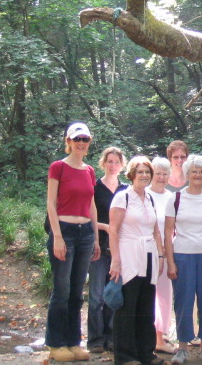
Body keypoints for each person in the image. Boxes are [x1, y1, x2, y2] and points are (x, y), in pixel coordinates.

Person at [45, 122, 100, 362]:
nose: (81, 143)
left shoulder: (89, 171)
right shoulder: (58, 167)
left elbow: (91, 204)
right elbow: (50, 203)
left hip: (85, 233)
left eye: (85, 139)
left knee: (77, 292)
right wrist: (57, 236)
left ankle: (73, 342)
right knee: (62, 290)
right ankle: (56, 344)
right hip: (64, 231)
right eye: (77, 139)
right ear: (68, 141)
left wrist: (96, 237)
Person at [165, 155, 202, 365]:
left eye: (201, 171)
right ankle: (182, 347)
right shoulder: (176, 199)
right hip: (182, 255)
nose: (198, 175)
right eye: (194, 171)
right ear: (187, 174)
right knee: (183, 301)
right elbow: (167, 232)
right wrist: (170, 261)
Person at [109, 156, 165, 365]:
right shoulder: (122, 197)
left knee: (145, 307)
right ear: (132, 174)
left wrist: (160, 255)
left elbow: (156, 231)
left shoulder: (149, 198)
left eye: (147, 172)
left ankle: (145, 353)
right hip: (129, 254)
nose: (144, 176)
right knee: (127, 308)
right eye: (140, 172)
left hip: (149, 255)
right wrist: (116, 261)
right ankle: (125, 356)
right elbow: (113, 230)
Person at [88, 147, 128, 354]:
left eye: (116, 162)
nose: (113, 166)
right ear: (103, 163)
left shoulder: (126, 190)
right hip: (98, 246)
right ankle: (95, 339)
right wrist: (103, 229)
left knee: (114, 295)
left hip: (120, 249)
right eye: (109, 162)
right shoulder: (94, 187)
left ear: (122, 166)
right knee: (96, 296)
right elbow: (88, 216)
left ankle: (111, 337)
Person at [147, 157, 177, 355]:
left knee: (165, 297)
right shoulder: (143, 194)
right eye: (158, 173)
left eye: (165, 173)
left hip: (167, 252)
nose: (161, 177)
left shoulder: (172, 197)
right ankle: (146, 336)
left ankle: (160, 337)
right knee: (146, 295)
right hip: (145, 251)